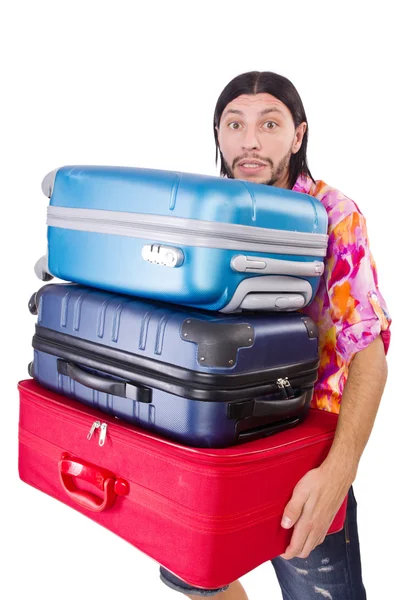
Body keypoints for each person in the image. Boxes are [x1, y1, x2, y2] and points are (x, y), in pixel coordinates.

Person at [159, 71, 391, 599]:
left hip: (301, 457)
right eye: (234, 124)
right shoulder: (204, 213)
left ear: (298, 135)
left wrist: (338, 472)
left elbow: (369, 352)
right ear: (217, 134)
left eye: (269, 123)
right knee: (191, 574)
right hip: (213, 436)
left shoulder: (335, 215)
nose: (250, 142)